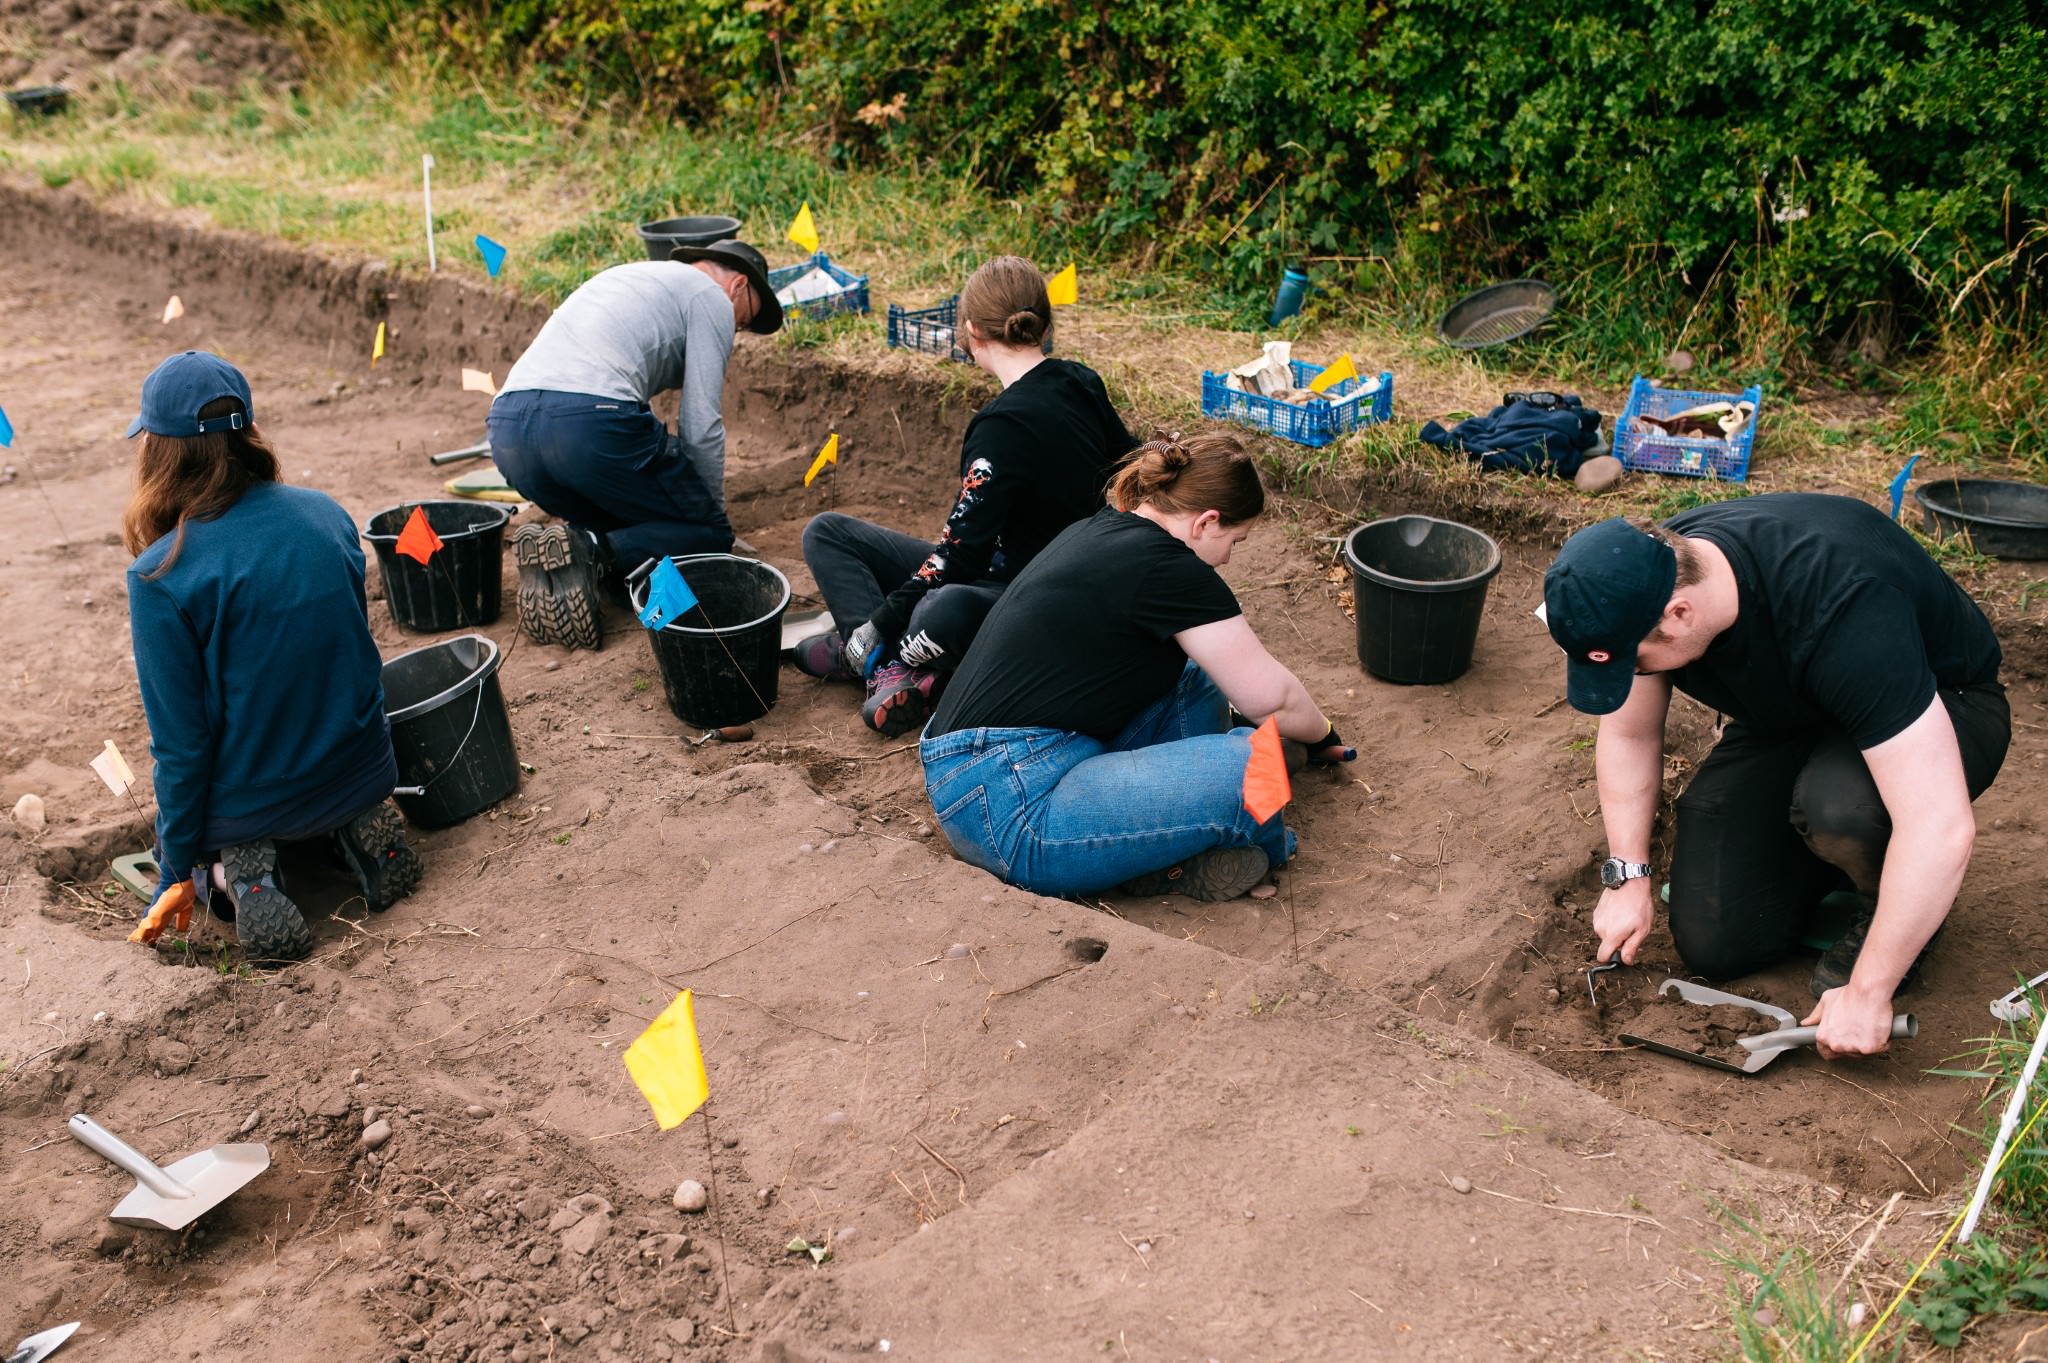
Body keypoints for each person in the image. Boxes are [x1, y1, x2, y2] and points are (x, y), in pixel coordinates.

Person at [1543, 494, 2009, 1058]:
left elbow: (1939, 824)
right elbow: (1629, 734)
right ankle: (1834, 860)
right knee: (1718, 939)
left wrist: (1868, 990)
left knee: (1840, 808)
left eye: (1634, 663)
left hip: (1942, 704)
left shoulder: (1845, 607)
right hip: (1794, 713)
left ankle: (1894, 897)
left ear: (1679, 615)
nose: (1633, 674)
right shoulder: (1647, 577)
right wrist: (1629, 877)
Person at [917, 432, 1354, 901]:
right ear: (1206, 522)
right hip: (1016, 808)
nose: (1228, 556)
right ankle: (1224, 843)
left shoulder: (1105, 529)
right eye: (1235, 539)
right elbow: (1275, 700)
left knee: (1196, 675)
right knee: (1257, 767)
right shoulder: (1171, 570)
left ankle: (1178, 831)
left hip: (995, 768)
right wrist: (1323, 733)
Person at [123, 351, 421, 963]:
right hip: (360, 763)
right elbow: (353, 656)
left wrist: (173, 868)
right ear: (247, 433)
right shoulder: (326, 513)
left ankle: (240, 878)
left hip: (254, 801)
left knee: (195, 851)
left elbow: (181, 746)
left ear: (158, 452)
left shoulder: (160, 574)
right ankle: (355, 821)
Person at [792, 255, 1136, 737]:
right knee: (829, 531)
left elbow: (960, 554)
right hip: (1032, 574)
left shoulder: (1000, 427)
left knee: (942, 607)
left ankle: (877, 659)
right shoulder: (1080, 380)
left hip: (1029, 594)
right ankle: (887, 667)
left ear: (971, 330)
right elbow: (1131, 465)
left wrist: (883, 619)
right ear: (1043, 322)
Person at [486, 239, 784, 651]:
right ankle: (588, 551)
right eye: (743, 322)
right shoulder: (711, 298)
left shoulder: (633, 279)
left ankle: (582, 563)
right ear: (738, 286)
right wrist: (708, 517)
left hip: (509, 433)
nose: (736, 332)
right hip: (585, 425)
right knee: (707, 533)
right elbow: (700, 424)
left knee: (628, 524)